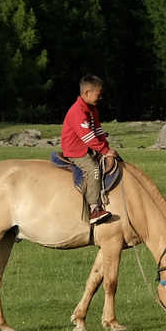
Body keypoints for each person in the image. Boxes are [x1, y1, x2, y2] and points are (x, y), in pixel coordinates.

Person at [61, 74, 117, 224]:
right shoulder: (77, 111)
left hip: (87, 147)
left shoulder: (92, 110)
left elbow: (98, 131)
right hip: (75, 150)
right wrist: (104, 151)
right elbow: (87, 137)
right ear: (87, 93)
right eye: (98, 95)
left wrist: (107, 148)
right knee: (94, 170)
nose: (100, 98)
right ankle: (94, 209)